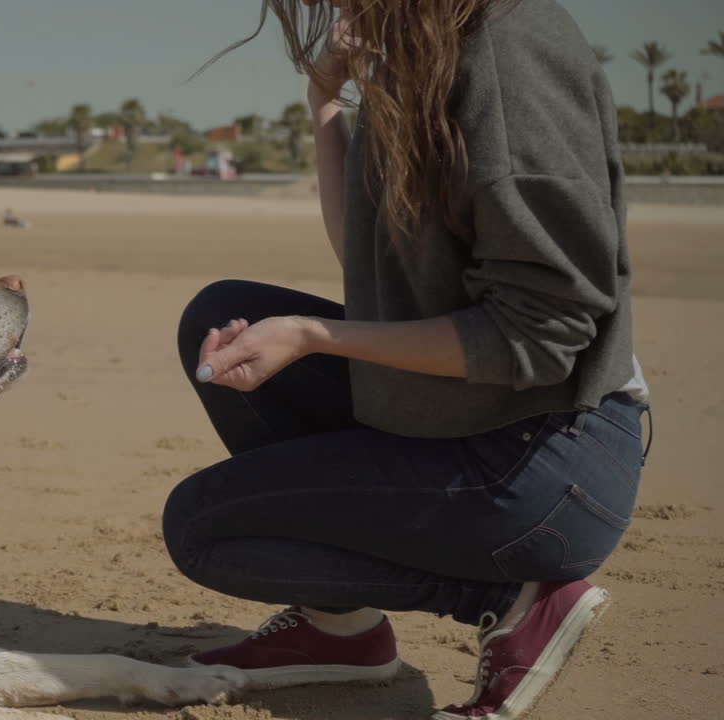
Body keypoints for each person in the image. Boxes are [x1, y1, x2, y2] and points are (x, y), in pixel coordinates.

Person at [160, 1, 650, 718]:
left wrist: (313, 336)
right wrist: (325, 102)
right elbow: (369, 264)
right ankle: (339, 629)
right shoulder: (425, 56)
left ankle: (514, 599)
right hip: (488, 419)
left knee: (204, 528)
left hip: (553, 454)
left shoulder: (511, 52)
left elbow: (544, 333)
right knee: (220, 312)